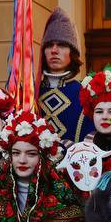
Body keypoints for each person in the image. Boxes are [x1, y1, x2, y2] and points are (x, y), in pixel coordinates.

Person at [35, 8, 87, 145]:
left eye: (62, 45)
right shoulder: (29, 95)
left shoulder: (85, 93)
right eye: (49, 45)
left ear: (73, 52)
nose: (54, 50)